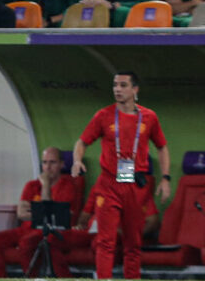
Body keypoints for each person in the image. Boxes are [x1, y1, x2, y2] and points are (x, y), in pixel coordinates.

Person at [71, 70, 171, 279]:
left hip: (135, 185)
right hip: (109, 184)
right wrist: (77, 160)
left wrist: (165, 178)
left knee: (133, 243)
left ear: (135, 89)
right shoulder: (103, 115)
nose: (117, 89)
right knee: (106, 241)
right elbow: (82, 142)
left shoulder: (149, 117)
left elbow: (162, 147)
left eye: (123, 85)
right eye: (115, 85)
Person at [0, 147, 79, 278]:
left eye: (52, 162)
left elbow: (50, 217)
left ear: (62, 164)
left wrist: (45, 187)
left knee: (27, 242)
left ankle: (32, 279)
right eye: (44, 162)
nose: (48, 167)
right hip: (26, 228)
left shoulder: (68, 185)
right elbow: (21, 213)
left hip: (50, 231)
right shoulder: (31, 185)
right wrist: (41, 211)